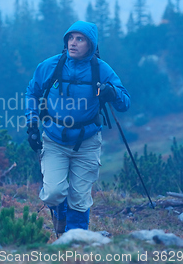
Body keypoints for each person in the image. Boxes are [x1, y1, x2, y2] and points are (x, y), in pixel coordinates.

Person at [24, 20, 130, 234]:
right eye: (70, 38)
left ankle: (75, 242)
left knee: (80, 199)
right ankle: (61, 218)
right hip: (54, 139)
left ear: (91, 45)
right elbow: (32, 93)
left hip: (87, 142)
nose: (73, 43)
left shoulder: (102, 70)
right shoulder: (50, 66)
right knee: (54, 193)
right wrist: (32, 124)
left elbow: (124, 103)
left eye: (80, 39)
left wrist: (113, 93)